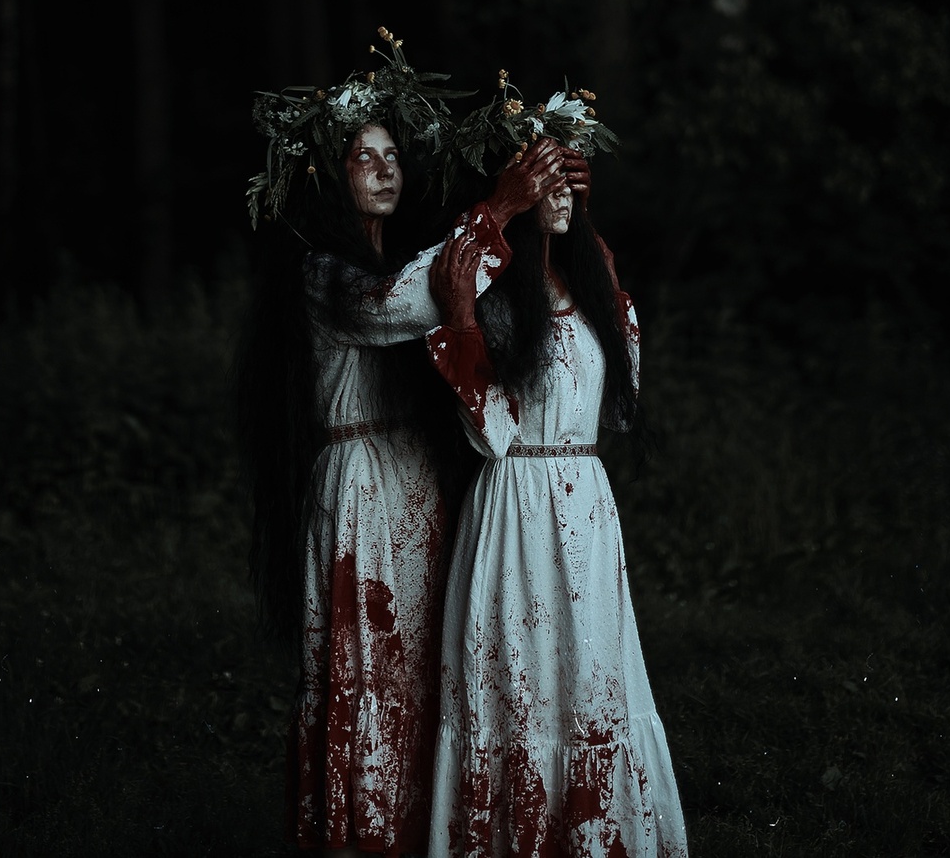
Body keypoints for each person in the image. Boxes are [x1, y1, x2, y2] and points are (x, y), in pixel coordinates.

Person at [239, 78, 583, 854]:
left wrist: (557, 224)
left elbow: (467, 304)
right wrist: (498, 210)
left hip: (418, 475)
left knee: (429, 664)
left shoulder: (409, 254)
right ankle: (364, 836)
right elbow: (404, 300)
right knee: (369, 662)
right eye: (365, 158)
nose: (386, 169)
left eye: (393, 155)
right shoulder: (325, 273)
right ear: (331, 174)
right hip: (359, 481)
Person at [421, 165, 688, 858]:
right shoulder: (503, 304)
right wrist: (459, 318)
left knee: (592, 678)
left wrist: (612, 282)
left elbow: (621, 412)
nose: (563, 194)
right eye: (546, 180)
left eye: (572, 181)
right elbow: (492, 434)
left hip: (587, 512)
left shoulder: (597, 298)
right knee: (520, 680)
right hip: (515, 507)